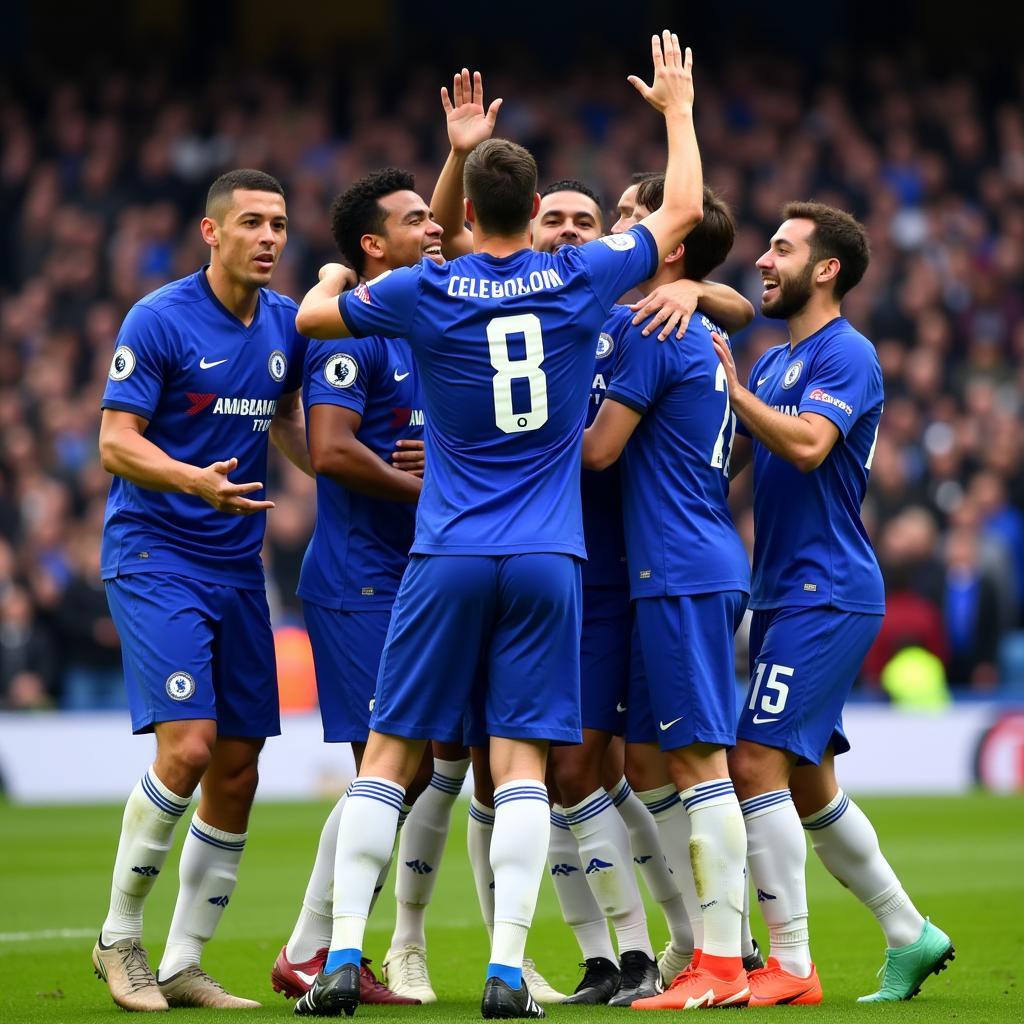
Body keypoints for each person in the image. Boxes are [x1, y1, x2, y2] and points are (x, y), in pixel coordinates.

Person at [292, 32, 706, 1019]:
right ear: (537, 214)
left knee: (392, 756)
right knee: (522, 765)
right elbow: (686, 210)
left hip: (445, 551)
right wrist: (678, 111)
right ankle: (509, 971)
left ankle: (345, 955)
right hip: (549, 557)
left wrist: (326, 279)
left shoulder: (426, 290)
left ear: (468, 213)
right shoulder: (582, 279)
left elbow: (318, 320)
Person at [710, 201, 953, 1004]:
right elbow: (722, 467)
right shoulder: (780, 361)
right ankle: (911, 935)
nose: (764, 260)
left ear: (826, 269)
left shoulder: (846, 355)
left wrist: (736, 394)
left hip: (827, 589)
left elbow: (811, 446)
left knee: (753, 761)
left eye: (781, 248)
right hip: (781, 592)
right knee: (808, 785)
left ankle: (788, 965)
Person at [93, 169, 311, 1011]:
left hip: (235, 567)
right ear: (210, 233)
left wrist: (338, 469)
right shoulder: (158, 318)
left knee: (238, 768)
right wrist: (193, 480)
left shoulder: (286, 326)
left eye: (280, 225)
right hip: (156, 556)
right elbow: (116, 443)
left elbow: (287, 418)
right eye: (252, 223)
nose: (269, 238)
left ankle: (182, 961)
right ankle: (119, 939)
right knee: (186, 749)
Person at [271, 168, 462, 1008]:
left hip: (418, 576)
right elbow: (336, 450)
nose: (435, 227)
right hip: (359, 578)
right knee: (385, 770)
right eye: (416, 219)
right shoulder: (351, 332)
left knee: (406, 773)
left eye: (436, 214)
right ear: (373, 246)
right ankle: (319, 950)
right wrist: (431, 490)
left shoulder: (428, 318)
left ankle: (315, 945)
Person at [582, 180, 753, 1009]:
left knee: (695, 763)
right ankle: (704, 942)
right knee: (650, 761)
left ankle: (727, 961)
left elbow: (599, 454)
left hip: (681, 567)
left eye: (631, 219)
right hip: (682, 562)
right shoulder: (697, 321)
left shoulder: (655, 326)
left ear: (672, 243)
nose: (623, 232)